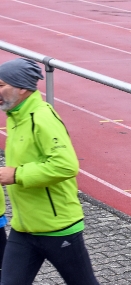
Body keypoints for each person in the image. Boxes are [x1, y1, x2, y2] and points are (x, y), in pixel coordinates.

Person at [0, 58, 99, 284]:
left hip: (58, 228)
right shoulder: (15, 116)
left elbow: (66, 165)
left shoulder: (42, 117)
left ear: (22, 88)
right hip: (23, 228)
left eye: (1, 85)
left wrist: (16, 175)